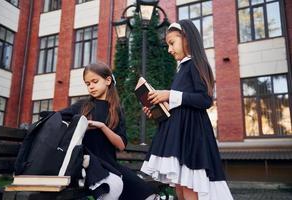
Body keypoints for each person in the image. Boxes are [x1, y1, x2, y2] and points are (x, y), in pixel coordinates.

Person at [141, 20, 234, 200]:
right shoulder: (182, 68)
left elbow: (205, 99)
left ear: (187, 39)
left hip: (192, 137)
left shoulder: (197, 65)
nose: (169, 49)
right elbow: (180, 104)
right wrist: (158, 111)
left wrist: (169, 94)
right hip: (179, 136)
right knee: (180, 189)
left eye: (171, 43)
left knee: (189, 187)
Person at [60, 62, 157, 200]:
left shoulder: (117, 110)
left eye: (94, 81)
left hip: (110, 164)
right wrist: (79, 125)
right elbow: (57, 119)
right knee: (113, 187)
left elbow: (121, 145)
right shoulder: (82, 106)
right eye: (87, 84)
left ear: (108, 80)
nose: (91, 86)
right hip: (88, 166)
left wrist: (102, 127)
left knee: (148, 194)